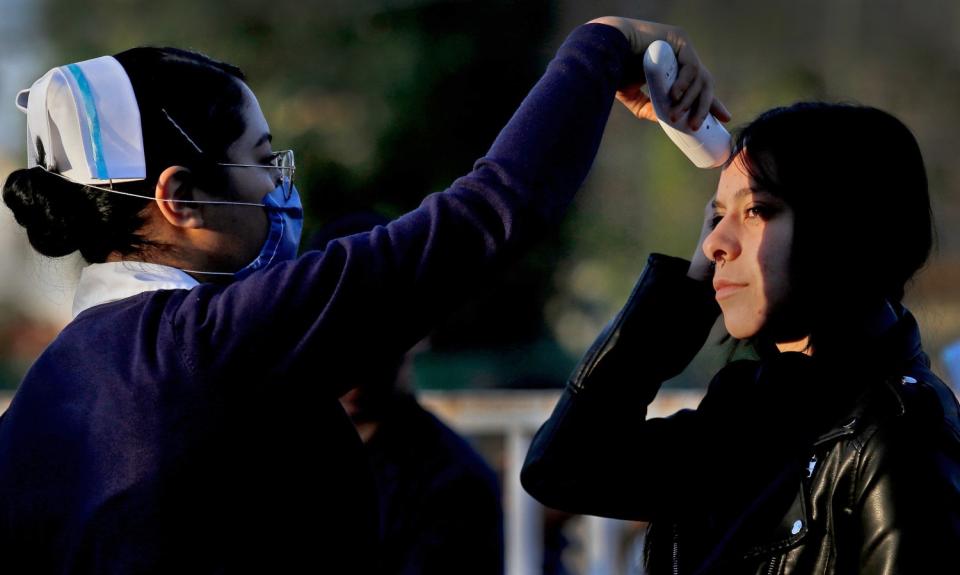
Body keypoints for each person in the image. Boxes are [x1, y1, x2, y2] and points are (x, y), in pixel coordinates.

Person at [0, 17, 727, 573]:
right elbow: (490, 211)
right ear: (180, 198)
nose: (283, 188)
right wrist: (604, 45)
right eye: (262, 161)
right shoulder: (210, 345)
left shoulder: (48, 393)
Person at [521, 102, 960, 573]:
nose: (714, 244)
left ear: (842, 228)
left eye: (756, 210)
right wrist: (688, 293)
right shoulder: (745, 407)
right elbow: (563, 469)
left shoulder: (897, 431)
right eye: (716, 217)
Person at [310, 213, 505, 574]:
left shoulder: (454, 482)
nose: (357, 368)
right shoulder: (264, 454)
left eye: (378, 339)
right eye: (342, 335)